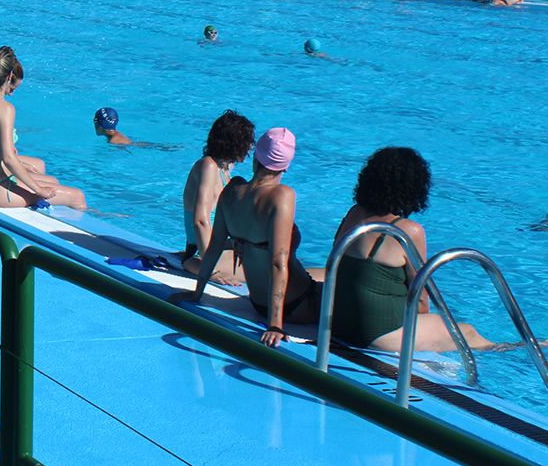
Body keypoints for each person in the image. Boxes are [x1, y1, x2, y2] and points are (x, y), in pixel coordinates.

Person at [327, 147, 492, 352]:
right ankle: (518, 349)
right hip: (376, 336)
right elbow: (421, 300)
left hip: (338, 324)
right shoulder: (408, 231)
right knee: (467, 332)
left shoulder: (354, 214)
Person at [178, 128, 323, 347]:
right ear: (286, 165)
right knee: (337, 278)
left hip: (258, 302)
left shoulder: (233, 190)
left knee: (324, 273)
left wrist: (197, 293)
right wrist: (275, 324)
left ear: (256, 158)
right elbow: (277, 261)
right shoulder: (282, 195)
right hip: (298, 303)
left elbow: (215, 245)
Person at [0, 46, 87, 210]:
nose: (11, 93)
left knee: (52, 182)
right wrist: (39, 190)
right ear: (10, 76)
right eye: (12, 89)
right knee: (77, 196)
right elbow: (8, 159)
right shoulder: (4, 108)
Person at [179, 111, 254, 284]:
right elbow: (200, 221)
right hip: (201, 254)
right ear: (234, 143)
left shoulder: (224, 169)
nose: (250, 147)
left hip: (217, 250)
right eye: (246, 142)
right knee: (269, 274)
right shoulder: (208, 167)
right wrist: (210, 269)